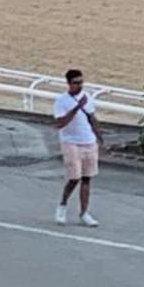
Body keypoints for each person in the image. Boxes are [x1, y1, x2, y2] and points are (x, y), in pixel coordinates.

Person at [52, 69, 101, 228]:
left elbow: (92, 118)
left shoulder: (88, 98)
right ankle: (63, 204)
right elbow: (60, 123)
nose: (79, 85)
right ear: (69, 84)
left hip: (88, 142)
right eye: (76, 83)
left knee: (87, 178)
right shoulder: (62, 101)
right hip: (71, 142)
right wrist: (76, 108)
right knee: (74, 178)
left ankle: (84, 212)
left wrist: (99, 136)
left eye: (81, 82)